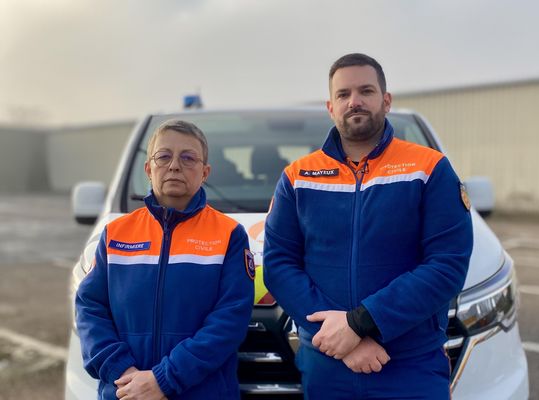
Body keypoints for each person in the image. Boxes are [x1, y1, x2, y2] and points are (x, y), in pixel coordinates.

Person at [263, 53, 473, 399]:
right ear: (330, 107)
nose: (354, 101)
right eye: (343, 94)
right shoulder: (297, 177)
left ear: (386, 101)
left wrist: (360, 323)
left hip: (409, 364)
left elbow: (446, 265)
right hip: (328, 365)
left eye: (366, 91)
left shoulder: (428, 169)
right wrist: (342, 340)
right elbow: (279, 265)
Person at [75, 120, 255, 400]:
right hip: (125, 391)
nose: (174, 166)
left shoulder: (229, 235)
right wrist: (122, 372)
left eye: (188, 158)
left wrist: (163, 380)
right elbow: (89, 308)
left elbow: (229, 321)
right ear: (148, 168)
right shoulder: (115, 233)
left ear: (205, 172)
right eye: (163, 156)